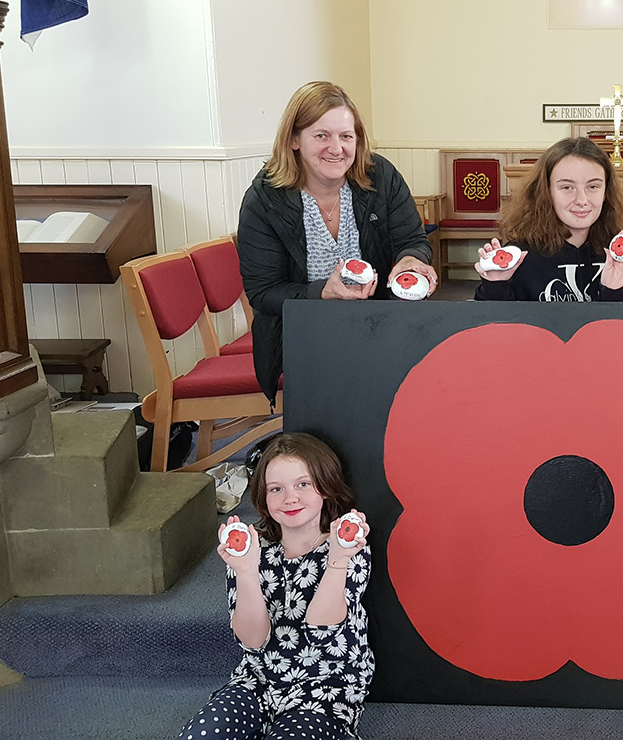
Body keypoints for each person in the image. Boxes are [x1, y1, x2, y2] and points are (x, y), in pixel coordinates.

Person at [237, 81, 437, 404]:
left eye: (346, 136)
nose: (336, 148)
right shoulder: (264, 200)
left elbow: (412, 240)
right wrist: (322, 293)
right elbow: (263, 293)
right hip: (303, 342)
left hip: (381, 328)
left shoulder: (381, 177)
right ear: (294, 140)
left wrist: (411, 259)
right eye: (321, 136)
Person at [178, 433, 372, 740]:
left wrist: (338, 559)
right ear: (264, 498)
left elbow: (323, 631)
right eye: (276, 489)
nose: (290, 498)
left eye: (303, 484)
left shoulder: (348, 547)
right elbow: (253, 641)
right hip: (259, 680)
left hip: (324, 687)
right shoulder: (253, 548)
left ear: (326, 485)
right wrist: (244, 571)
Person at [473, 136, 623, 302]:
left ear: (605, 193)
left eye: (593, 186)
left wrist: (614, 290)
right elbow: (494, 324)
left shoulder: (611, 251)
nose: (582, 200)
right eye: (567, 187)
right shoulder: (522, 256)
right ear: (546, 192)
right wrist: (495, 286)